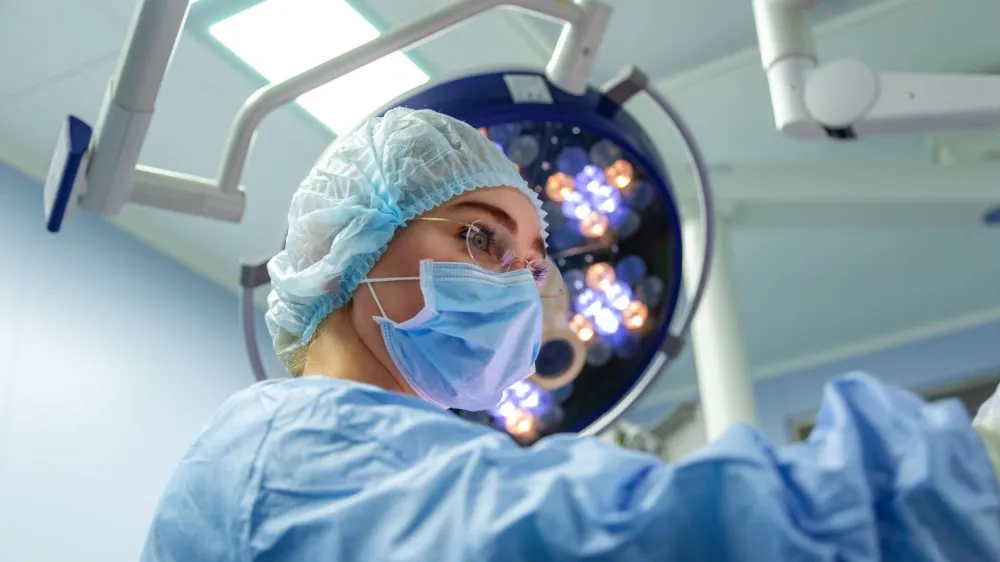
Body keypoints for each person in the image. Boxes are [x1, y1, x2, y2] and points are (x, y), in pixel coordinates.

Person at [141, 107, 1000, 561]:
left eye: (531, 264)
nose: (522, 288)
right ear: (348, 251)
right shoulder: (289, 456)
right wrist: (970, 469)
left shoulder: (381, 462)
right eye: (480, 236)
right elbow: (621, 543)